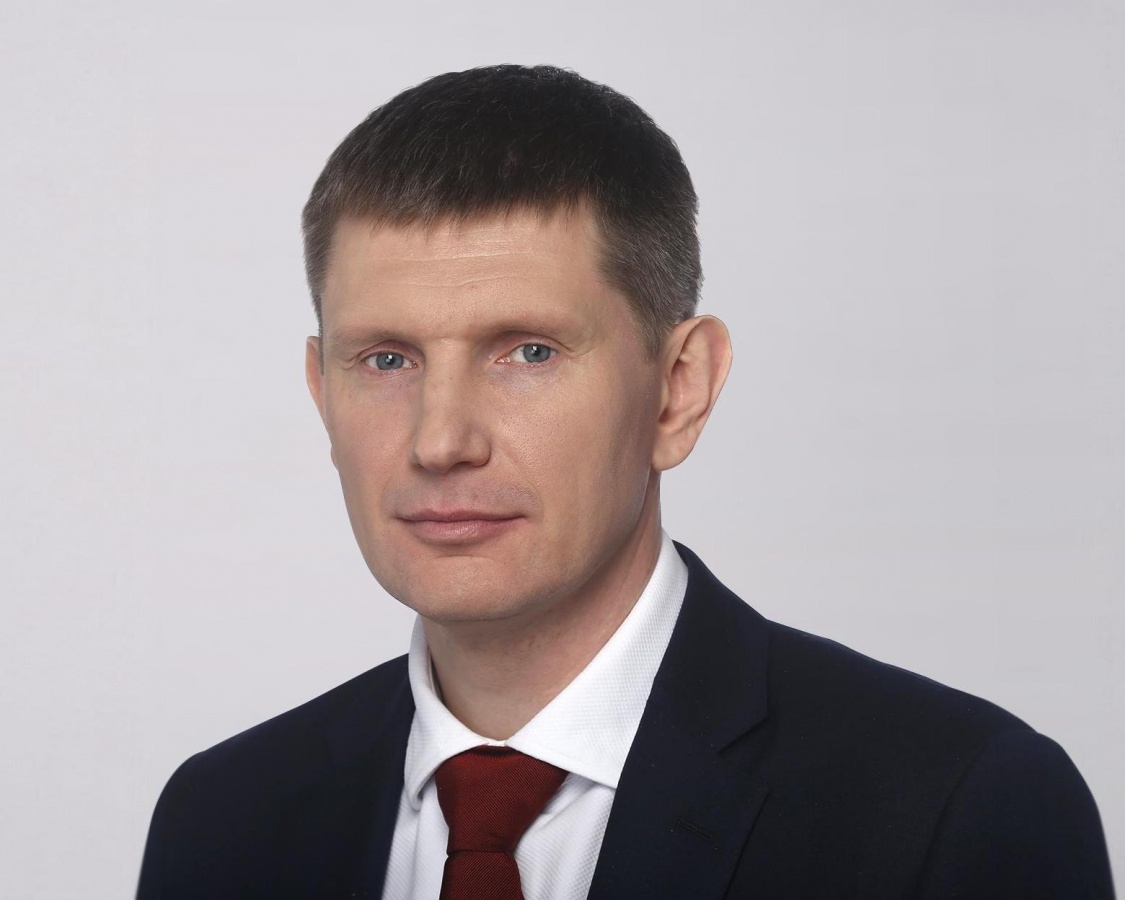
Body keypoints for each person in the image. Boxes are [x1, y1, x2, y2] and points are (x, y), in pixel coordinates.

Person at [137, 64, 1114, 899]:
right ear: (322, 393)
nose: (440, 441)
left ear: (678, 390)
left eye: (528, 351)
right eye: (387, 359)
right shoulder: (222, 822)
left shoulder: (954, 809)